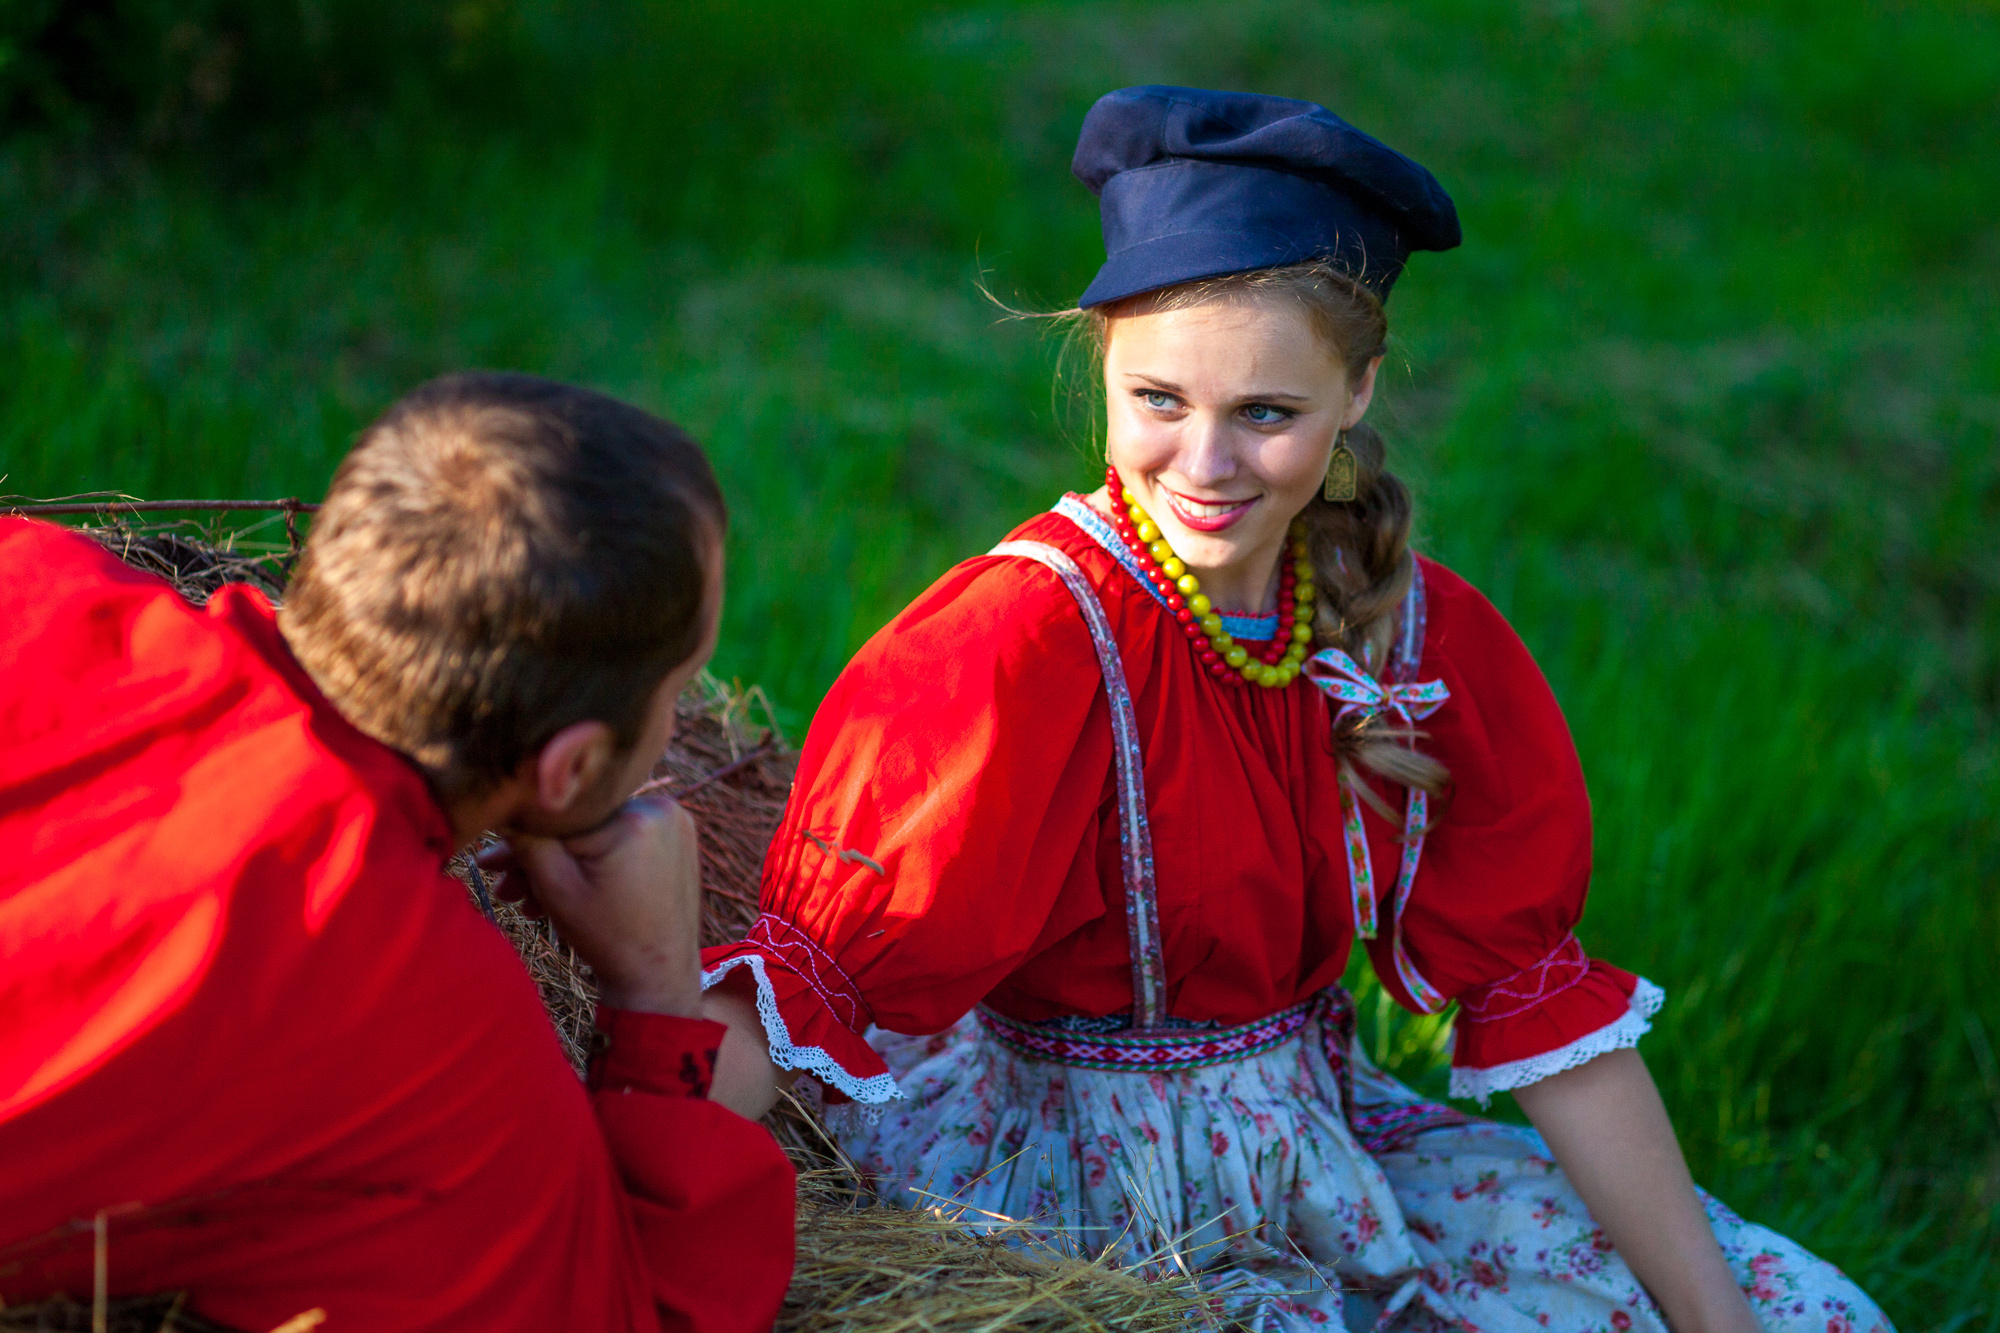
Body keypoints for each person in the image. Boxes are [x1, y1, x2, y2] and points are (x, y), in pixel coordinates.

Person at [695, 88, 1894, 1332]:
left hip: (1317, 1149)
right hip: (1056, 1181)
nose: (1203, 468)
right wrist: (592, 1207)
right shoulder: (1026, 639)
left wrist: (1713, 1319)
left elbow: (1534, 999)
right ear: (1099, 355)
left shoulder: (1406, 631)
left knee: (1810, 1312)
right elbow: (797, 995)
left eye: (1265, 415)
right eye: (1157, 400)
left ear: (1357, 393)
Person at [0, 373, 794, 1332]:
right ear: (568, 764)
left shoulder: (33, 572)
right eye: (681, 687)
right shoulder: (422, 1029)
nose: (678, 718)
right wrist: (658, 996)